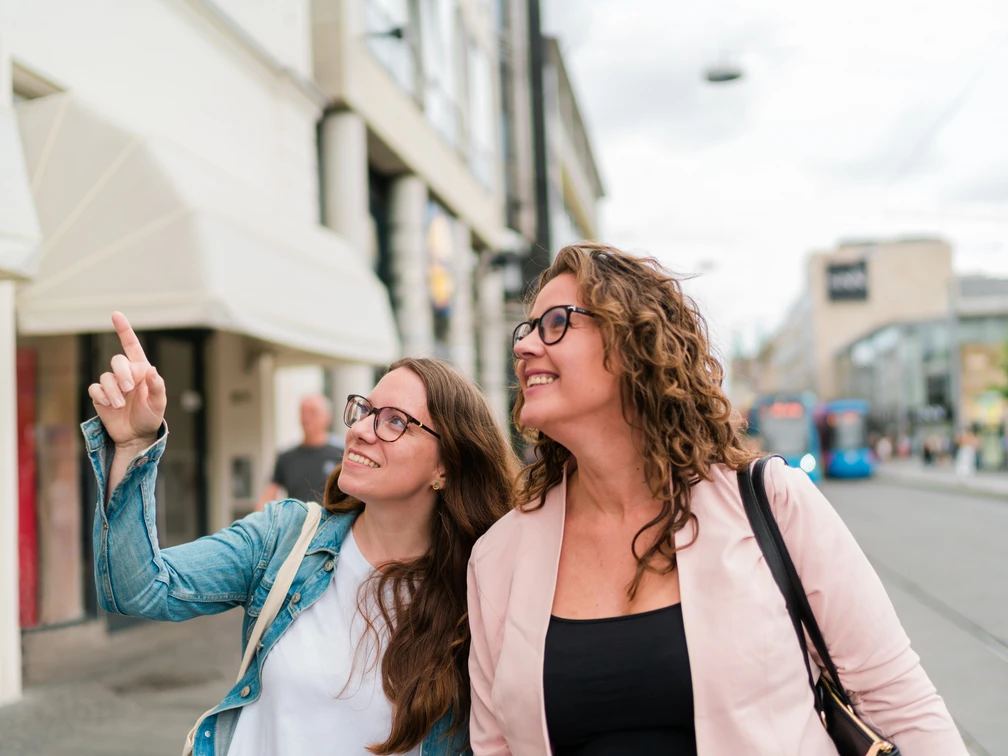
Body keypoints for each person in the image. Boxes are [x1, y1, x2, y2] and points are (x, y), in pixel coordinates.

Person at [466, 244, 967, 755]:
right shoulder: (497, 557)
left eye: (555, 322)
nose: (525, 346)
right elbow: (495, 747)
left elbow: (898, 701)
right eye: (524, 329)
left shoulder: (770, 500)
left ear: (632, 341)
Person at [85, 312, 515, 756]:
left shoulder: (479, 596)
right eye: (365, 410)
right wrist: (134, 447)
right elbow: (138, 590)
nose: (361, 430)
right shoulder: (284, 538)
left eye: (394, 421)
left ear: (445, 466)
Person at [257, 394, 343, 508]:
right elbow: (266, 498)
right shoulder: (286, 458)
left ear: (328, 417)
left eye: (312, 412)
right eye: (303, 413)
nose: (306, 418)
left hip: (333, 522)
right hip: (296, 523)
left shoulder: (341, 455)